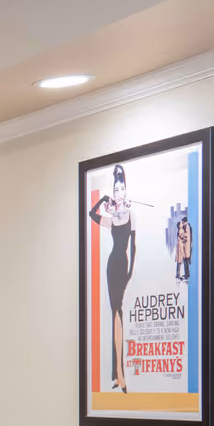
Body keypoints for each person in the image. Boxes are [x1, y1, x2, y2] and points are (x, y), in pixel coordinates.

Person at [88, 164, 136, 392]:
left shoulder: (129, 214)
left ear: (125, 191)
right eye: (115, 189)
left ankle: (119, 373)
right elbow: (91, 214)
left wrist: (130, 274)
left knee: (119, 314)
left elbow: (133, 247)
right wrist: (101, 201)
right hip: (111, 265)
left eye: (121, 188)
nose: (119, 192)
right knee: (115, 314)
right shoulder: (111, 218)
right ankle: (119, 374)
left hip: (123, 266)